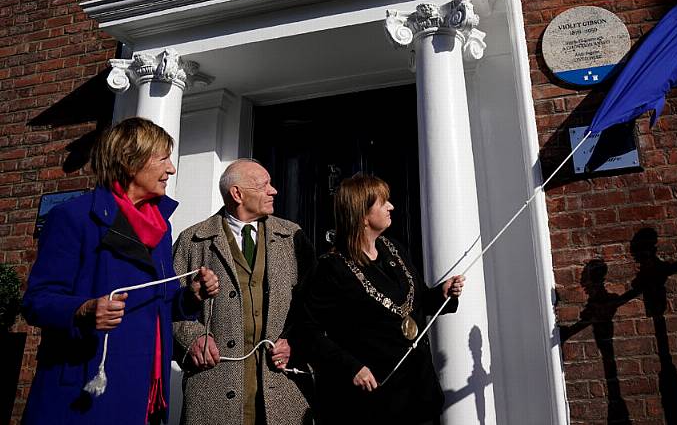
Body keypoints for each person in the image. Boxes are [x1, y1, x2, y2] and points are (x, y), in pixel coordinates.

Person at [21, 117, 219, 425]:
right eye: (163, 158)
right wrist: (84, 310)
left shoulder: (160, 227)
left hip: (146, 389)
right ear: (130, 162)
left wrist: (190, 297)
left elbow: (156, 304)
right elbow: (37, 301)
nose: (172, 168)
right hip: (87, 390)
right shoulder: (73, 217)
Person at [304, 174, 465, 424]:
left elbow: (415, 302)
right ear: (363, 215)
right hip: (374, 400)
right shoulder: (331, 268)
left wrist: (442, 293)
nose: (391, 206)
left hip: (418, 392)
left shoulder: (394, 249)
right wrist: (351, 367)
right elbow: (308, 331)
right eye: (383, 202)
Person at [172, 158, 314, 425]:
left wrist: (296, 342)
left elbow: (314, 306)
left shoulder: (292, 237)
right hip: (211, 387)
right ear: (237, 194)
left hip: (281, 390)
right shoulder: (192, 240)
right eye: (264, 185)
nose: (274, 191)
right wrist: (191, 338)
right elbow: (166, 306)